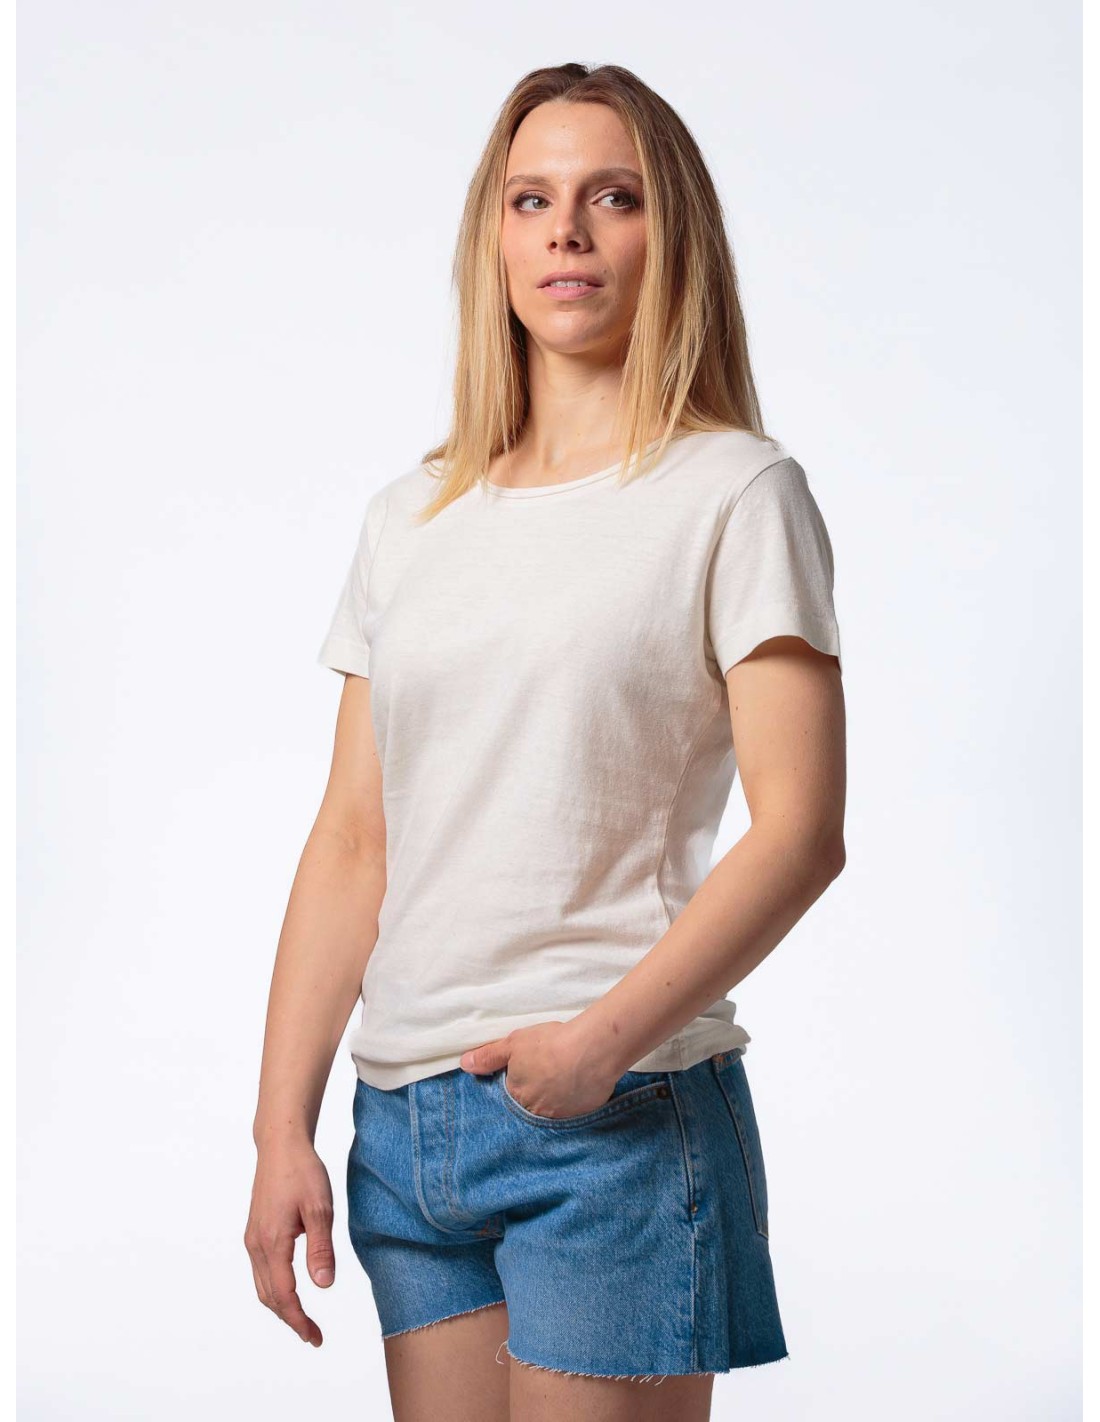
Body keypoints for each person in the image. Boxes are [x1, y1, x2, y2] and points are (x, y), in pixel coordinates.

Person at [245, 61, 847, 1422]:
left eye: (612, 197)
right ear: (495, 236)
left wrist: (598, 1044)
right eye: (531, 199)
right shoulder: (412, 516)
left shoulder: (735, 492)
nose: (566, 231)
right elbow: (354, 839)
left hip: (617, 1115)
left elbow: (803, 830)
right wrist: (282, 1127)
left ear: (670, 235)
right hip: (407, 1127)